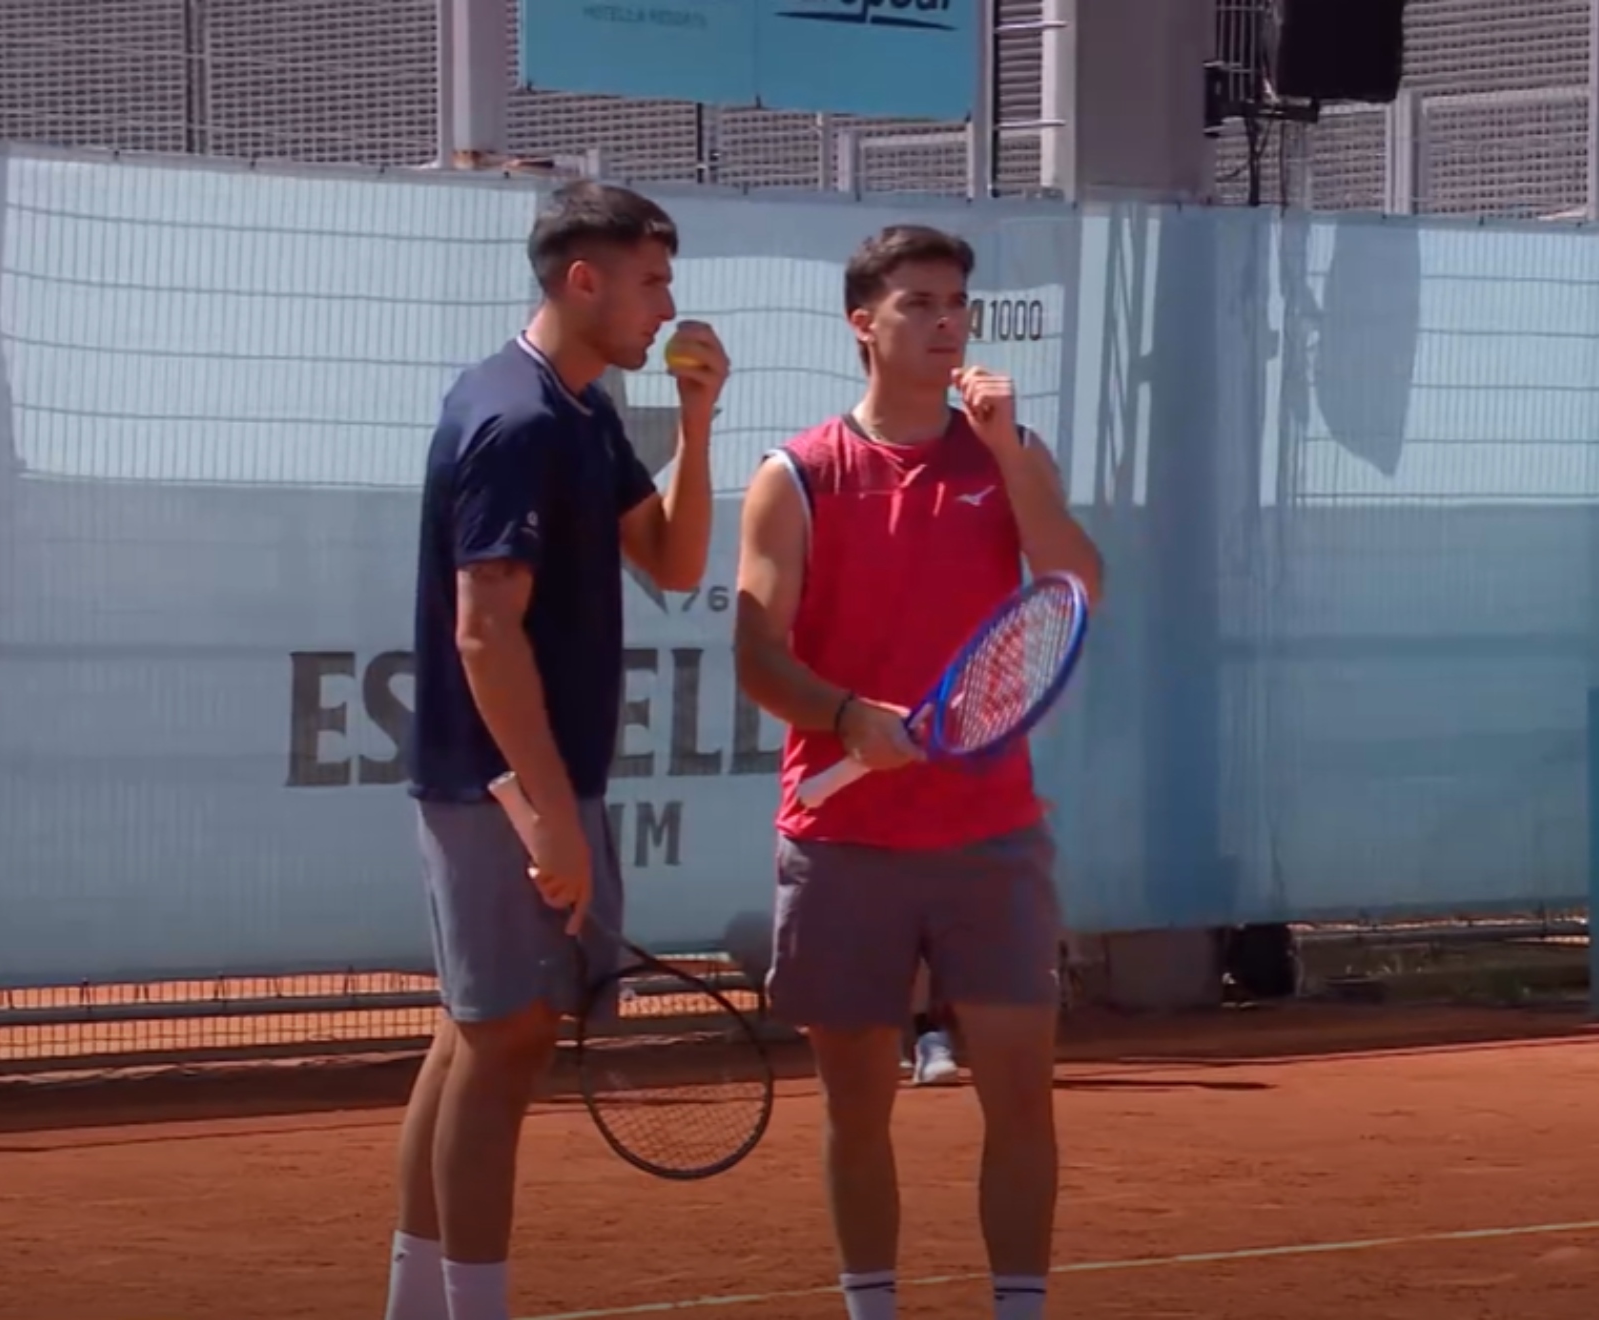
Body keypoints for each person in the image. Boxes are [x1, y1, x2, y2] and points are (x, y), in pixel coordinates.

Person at [733, 223, 1103, 1320]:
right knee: (856, 1109)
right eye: (919, 305)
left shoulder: (1010, 452)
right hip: (843, 844)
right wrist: (846, 718)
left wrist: (1004, 456)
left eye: (957, 304)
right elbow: (757, 651)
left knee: (1020, 1098)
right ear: (864, 324)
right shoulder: (795, 476)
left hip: (992, 837)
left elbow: (1077, 583)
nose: (947, 325)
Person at [386, 179, 728, 1320]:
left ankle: (420, 1306)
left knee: (475, 1038)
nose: (666, 306)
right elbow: (483, 633)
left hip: (526, 780)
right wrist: (551, 813)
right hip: (501, 787)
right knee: (507, 1046)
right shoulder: (520, 420)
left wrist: (696, 422)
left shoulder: (577, 412)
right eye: (651, 281)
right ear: (584, 281)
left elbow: (674, 566)